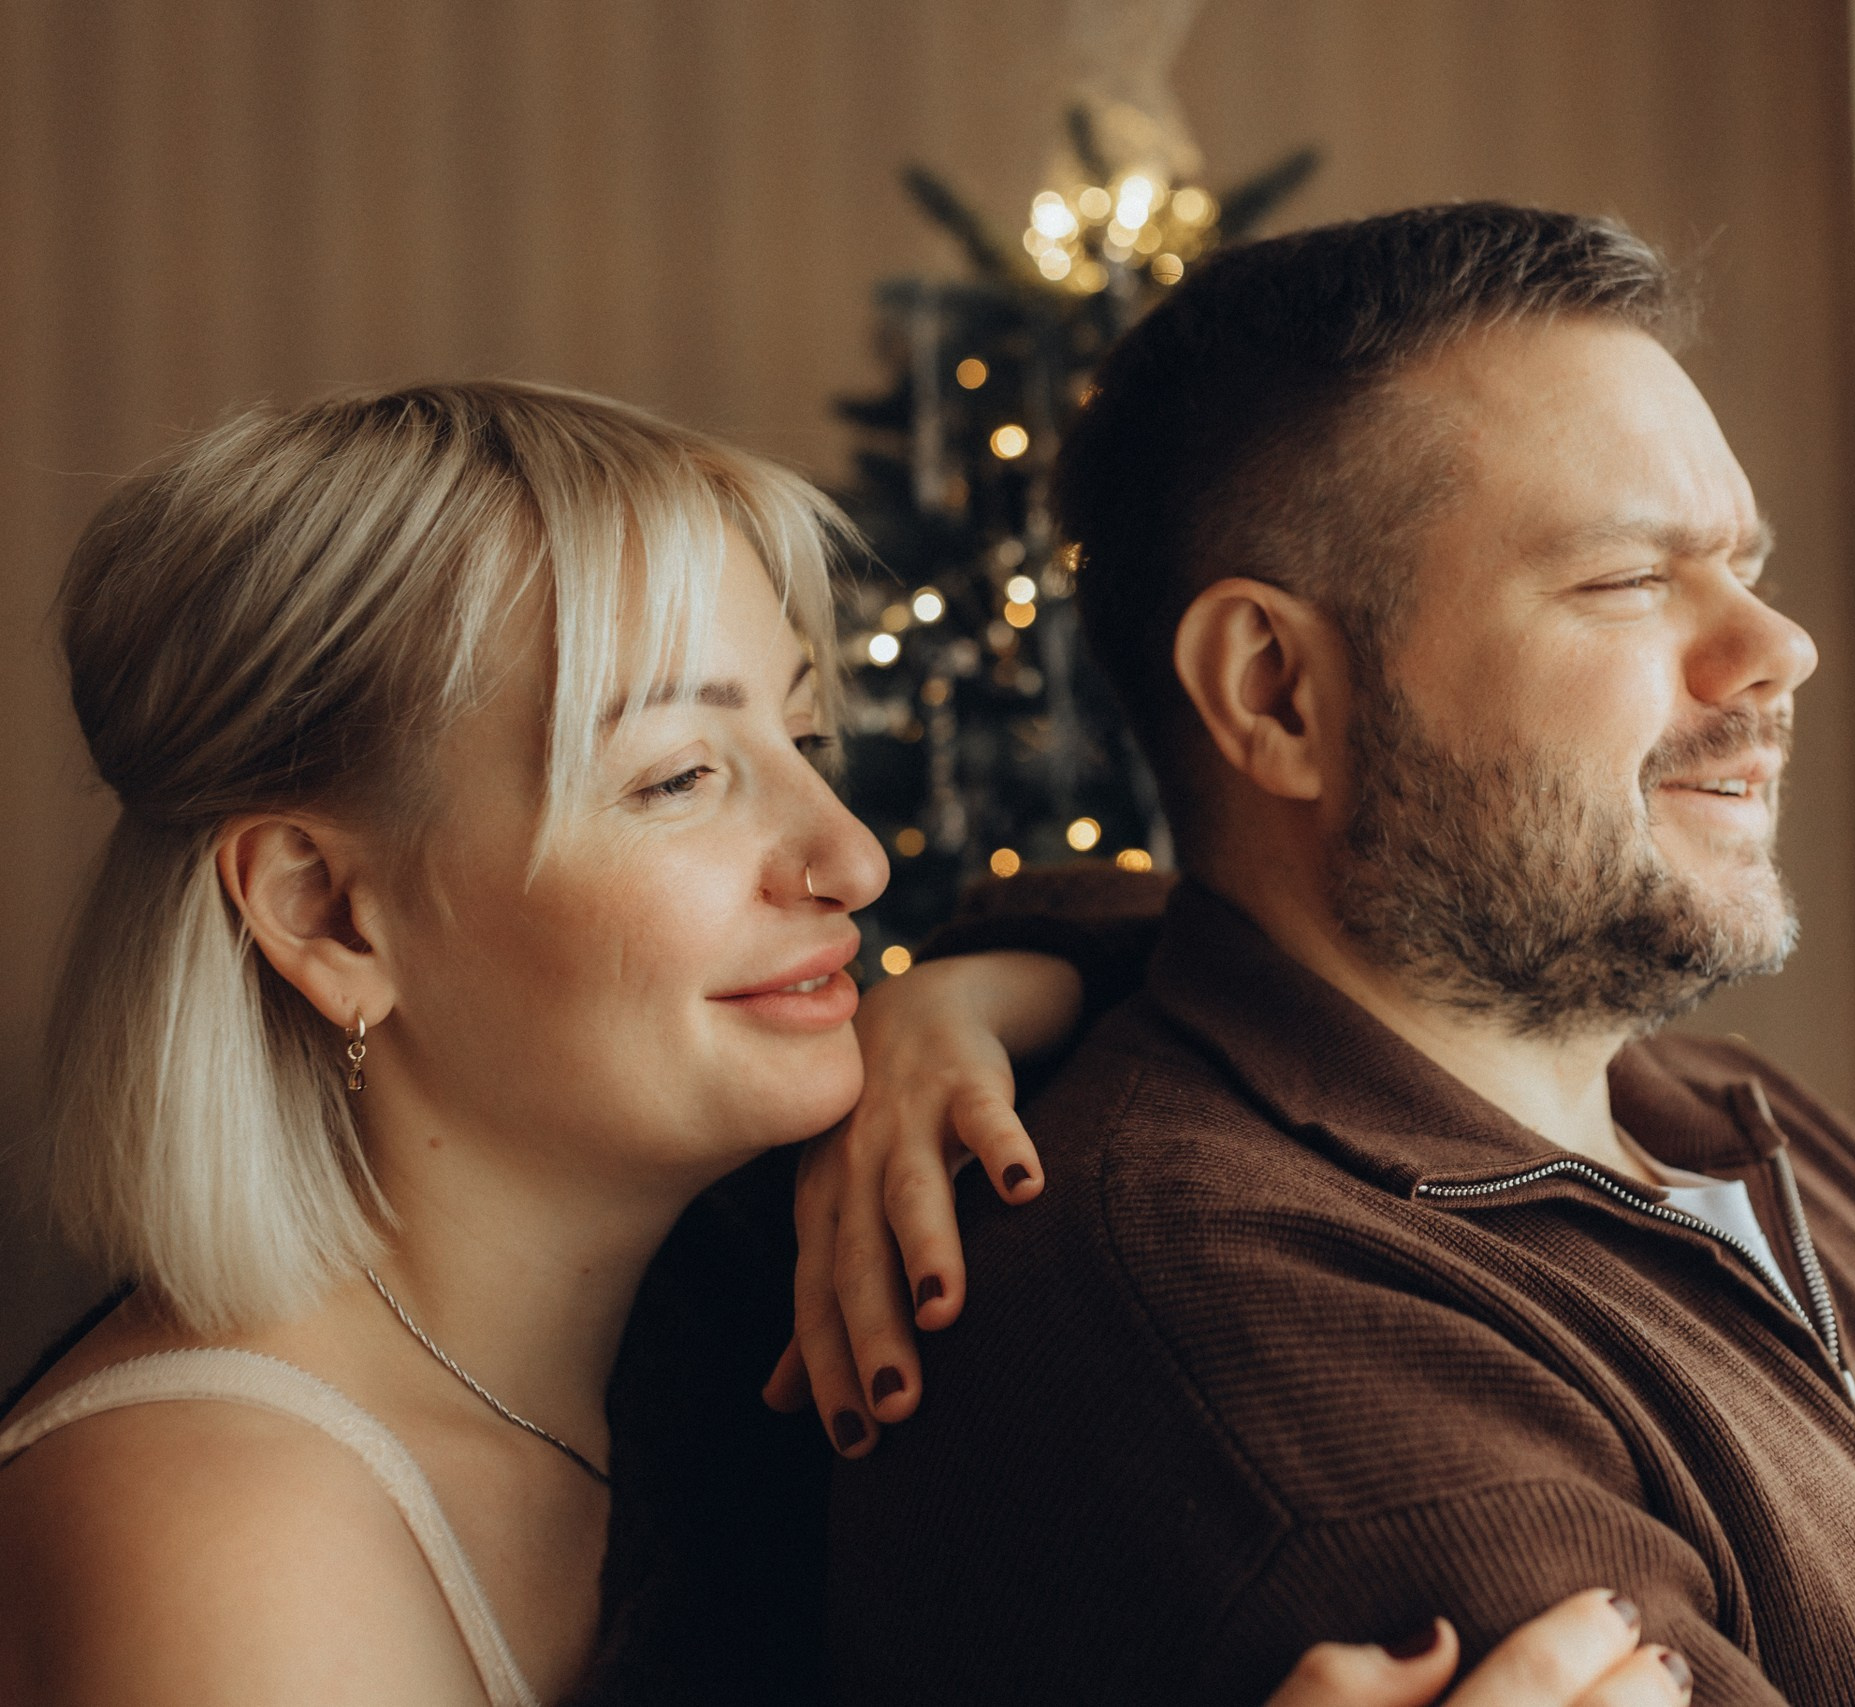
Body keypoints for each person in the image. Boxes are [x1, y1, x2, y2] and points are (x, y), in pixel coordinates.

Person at [802, 206, 1855, 1702]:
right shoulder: (1248, 1310)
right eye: (1629, 579)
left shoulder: (1710, 1113)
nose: (1778, 649)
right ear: (1276, 692)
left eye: (1741, 563)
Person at [0, 382, 1686, 1707]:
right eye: (678, 777)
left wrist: (969, 985)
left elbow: (1206, 944)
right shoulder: (217, 1519)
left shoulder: (720, 1314)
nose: (853, 861)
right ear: (326, 916)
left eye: (806, 736)